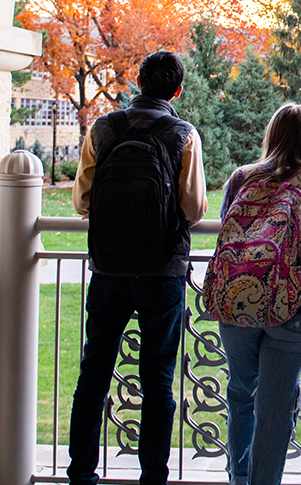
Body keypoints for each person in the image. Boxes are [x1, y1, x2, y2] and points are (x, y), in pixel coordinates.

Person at [67, 51, 207, 485]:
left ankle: (81, 474)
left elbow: (81, 201)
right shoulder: (183, 134)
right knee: (158, 378)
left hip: (109, 268)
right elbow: (194, 209)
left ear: (139, 82)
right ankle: (153, 477)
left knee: (94, 371)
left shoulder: (104, 128)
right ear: (177, 90)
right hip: (161, 272)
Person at [219, 103, 301, 485]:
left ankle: (238, 477)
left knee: (241, 391)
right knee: (275, 406)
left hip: (237, 299)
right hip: (294, 304)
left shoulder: (241, 177)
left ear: (271, 135)